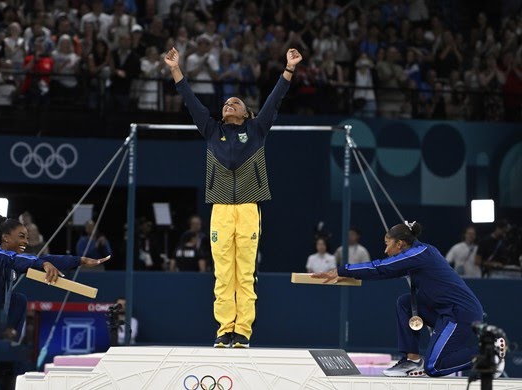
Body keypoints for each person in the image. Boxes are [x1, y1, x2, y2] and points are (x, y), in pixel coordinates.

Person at [164, 45, 302, 348]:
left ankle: (243, 331)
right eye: (226, 102)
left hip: (249, 209)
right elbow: (190, 101)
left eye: (236, 102)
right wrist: (175, 69)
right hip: (221, 211)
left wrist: (289, 68)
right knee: (223, 274)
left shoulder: (257, 129)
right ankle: (224, 329)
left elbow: (275, 100)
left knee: (245, 273)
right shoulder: (212, 131)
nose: (229, 104)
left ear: (246, 113)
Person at [0, 212, 109, 387]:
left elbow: (44, 259)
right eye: (21, 237)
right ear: (5, 238)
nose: (26, 241)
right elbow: (12, 259)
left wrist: (80, 260)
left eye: (27, 237)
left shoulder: (17, 261)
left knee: (18, 301)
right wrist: (41, 264)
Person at [313, 221, 505, 378]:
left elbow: (380, 267)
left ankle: (487, 355)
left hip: (461, 314)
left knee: (434, 367)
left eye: (387, 244)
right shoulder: (417, 254)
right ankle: (412, 359)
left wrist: (341, 270)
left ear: (400, 244)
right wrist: (349, 275)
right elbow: (382, 273)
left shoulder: (419, 254)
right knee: (405, 303)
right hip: (445, 313)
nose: (386, 250)